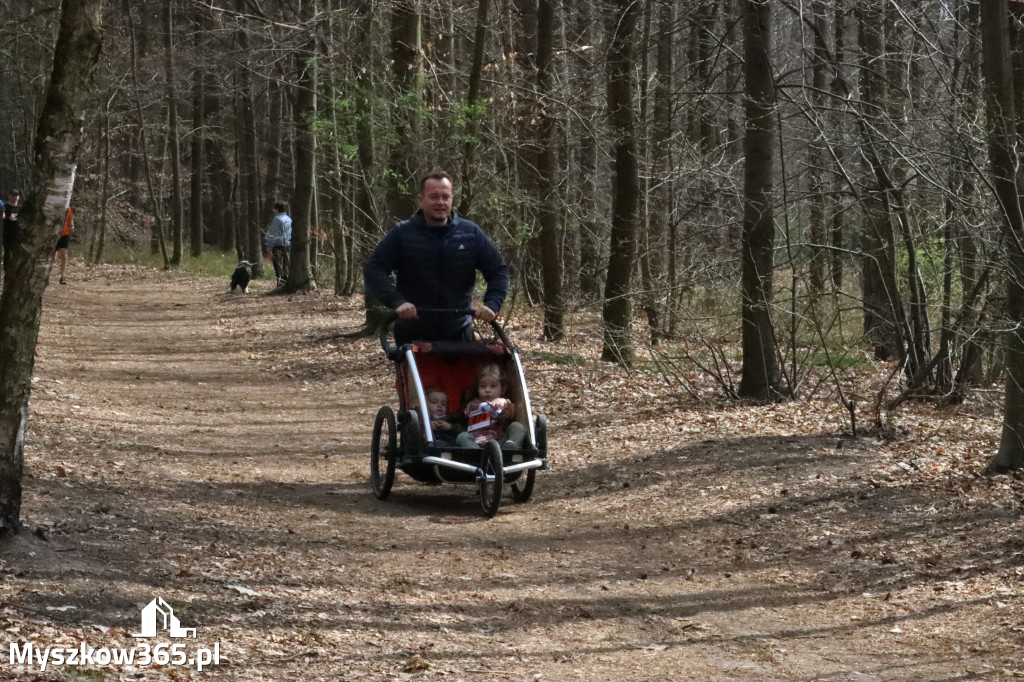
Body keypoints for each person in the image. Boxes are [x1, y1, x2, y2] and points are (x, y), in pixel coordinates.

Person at [363, 171, 509, 345]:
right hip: (413, 334)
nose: (440, 202)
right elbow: (374, 268)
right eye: (434, 197)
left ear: (451, 199)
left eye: (445, 197)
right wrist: (397, 302)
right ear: (421, 199)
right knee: (416, 374)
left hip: (459, 332)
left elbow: (498, 270)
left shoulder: (470, 233)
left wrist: (492, 304)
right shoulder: (402, 233)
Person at [454, 363, 526, 451]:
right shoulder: (472, 404)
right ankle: (475, 454)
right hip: (477, 443)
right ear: (477, 388)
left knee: (517, 426)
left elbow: (509, 410)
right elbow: (463, 417)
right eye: (482, 386)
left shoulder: (502, 402)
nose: (487, 390)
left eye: (493, 386)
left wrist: (502, 405)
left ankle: (511, 449)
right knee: (462, 436)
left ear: (502, 389)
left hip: (500, 443)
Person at [264, 202, 292, 286]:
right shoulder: (289, 219)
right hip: (287, 244)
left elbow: (273, 234)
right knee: (285, 264)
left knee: (277, 265)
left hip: (277, 245)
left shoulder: (277, 219)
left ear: (277, 209)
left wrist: (269, 246)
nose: (273, 211)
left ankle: (280, 283)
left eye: (274, 209)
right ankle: (285, 280)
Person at [50, 205, 74, 284]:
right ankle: (47, 275)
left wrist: (71, 225)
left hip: (64, 234)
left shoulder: (68, 208)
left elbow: (70, 218)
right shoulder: (54, 206)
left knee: (64, 255)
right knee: (52, 256)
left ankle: (62, 277)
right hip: (53, 233)